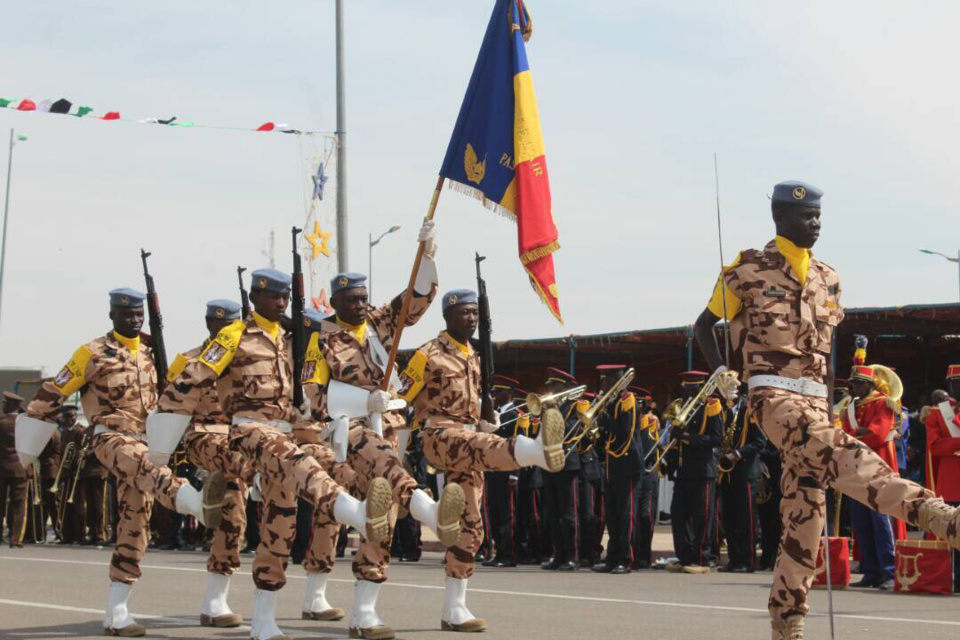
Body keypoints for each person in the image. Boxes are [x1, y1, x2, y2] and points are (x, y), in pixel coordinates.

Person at [693, 180, 960, 640]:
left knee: (806, 516)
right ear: (780, 217)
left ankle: (787, 620)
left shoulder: (828, 277)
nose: (815, 224)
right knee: (845, 455)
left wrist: (832, 401)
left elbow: (826, 352)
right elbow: (702, 325)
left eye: (818, 216)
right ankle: (941, 517)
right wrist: (722, 371)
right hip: (773, 396)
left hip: (816, 401)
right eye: (805, 216)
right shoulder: (746, 269)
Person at [153, 270, 393, 640]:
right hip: (248, 430)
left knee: (280, 527)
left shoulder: (289, 340)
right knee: (301, 467)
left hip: (283, 433)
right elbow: (191, 377)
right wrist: (162, 434)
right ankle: (358, 515)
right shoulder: (234, 335)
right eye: (272, 297)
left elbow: (309, 392)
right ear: (254, 297)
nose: (280, 303)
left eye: (284, 297)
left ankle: (263, 620)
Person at [18, 288, 227, 637]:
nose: (134, 320)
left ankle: (116, 612)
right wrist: (31, 426)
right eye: (127, 314)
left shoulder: (152, 351)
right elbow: (55, 391)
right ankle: (195, 503)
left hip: (148, 441)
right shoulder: (92, 353)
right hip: (110, 438)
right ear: (113, 315)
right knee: (146, 465)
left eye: (138, 315)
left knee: (135, 523)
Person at [301, 230, 467, 639]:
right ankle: (427, 509)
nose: (359, 305)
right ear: (335, 303)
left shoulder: (379, 323)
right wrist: (362, 404)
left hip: (386, 431)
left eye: (362, 298)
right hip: (346, 434)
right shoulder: (319, 339)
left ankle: (363, 611)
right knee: (339, 511)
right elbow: (313, 397)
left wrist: (428, 256)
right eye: (350, 301)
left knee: (376, 516)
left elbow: (416, 300)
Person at [399, 289, 565, 632]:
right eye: (464, 313)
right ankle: (537, 451)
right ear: (447, 317)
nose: (471, 319)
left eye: (475, 313)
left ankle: (454, 609)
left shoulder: (474, 355)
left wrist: (483, 420)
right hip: (439, 437)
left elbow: (475, 408)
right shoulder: (426, 354)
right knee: (485, 445)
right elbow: (400, 400)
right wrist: (396, 453)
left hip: (470, 439)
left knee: (470, 530)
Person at [164, 299, 256, 628]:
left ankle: (215, 601)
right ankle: (216, 493)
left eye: (230, 326)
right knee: (238, 466)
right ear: (208, 325)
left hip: (239, 441)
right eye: (218, 326)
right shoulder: (188, 361)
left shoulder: (250, 361)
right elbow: (167, 405)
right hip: (201, 438)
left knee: (233, 516)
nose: (224, 332)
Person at [840, 365, 900, 590]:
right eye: (852, 383)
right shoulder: (851, 407)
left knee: (880, 520)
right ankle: (871, 570)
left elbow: (877, 435)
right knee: (861, 522)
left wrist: (857, 435)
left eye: (857, 383)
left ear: (869, 385)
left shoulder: (883, 404)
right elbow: (843, 434)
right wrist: (859, 433)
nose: (853, 387)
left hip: (879, 468)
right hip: (857, 469)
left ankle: (888, 571)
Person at [665, 371, 723, 575]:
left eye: (693, 389)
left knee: (702, 515)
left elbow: (716, 439)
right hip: (683, 469)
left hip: (702, 469)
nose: (689, 393)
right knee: (679, 514)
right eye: (686, 388)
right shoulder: (682, 406)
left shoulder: (711, 406)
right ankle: (684, 556)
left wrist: (689, 438)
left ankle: (702, 557)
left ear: (700, 388)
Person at [591, 365, 644, 575]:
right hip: (612, 465)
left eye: (606, 380)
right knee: (612, 515)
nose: (603, 384)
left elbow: (626, 434)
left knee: (626, 514)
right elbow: (607, 437)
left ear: (616, 381)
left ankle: (626, 559)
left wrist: (605, 419)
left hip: (627, 463)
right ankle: (613, 558)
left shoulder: (627, 400)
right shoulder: (612, 402)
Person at [718, 384, 766, 573]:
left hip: (745, 471)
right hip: (727, 473)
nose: (728, 395)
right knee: (729, 518)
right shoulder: (724, 412)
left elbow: (759, 442)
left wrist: (738, 453)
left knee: (746, 519)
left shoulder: (749, 412)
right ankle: (734, 559)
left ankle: (747, 561)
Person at [540, 369, 584, 571]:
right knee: (553, 513)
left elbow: (571, 432)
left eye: (554, 386)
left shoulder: (576, 406)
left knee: (568, 514)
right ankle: (558, 554)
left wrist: (554, 411)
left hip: (567, 463)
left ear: (565, 388)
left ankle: (572, 556)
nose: (550, 390)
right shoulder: (550, 409)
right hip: (549, 462)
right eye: (549, 386)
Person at [924, 365, 960, 592]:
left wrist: (952, 446)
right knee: (953, 532)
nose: (958, 387)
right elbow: (935, 447)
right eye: (954, 383)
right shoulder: (937, 414)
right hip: (952, 482)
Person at [483, 375, 524, 567]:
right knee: (494, 513)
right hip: (493, 469)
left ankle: (509, 554)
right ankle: (499, 552)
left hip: (507, 470)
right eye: (494, 392)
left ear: (510, 394)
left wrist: (515, 473)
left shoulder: (517, 415)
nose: (495, 395)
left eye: (499, 392)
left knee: (508, 514)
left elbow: (519, 445)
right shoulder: (495, 414)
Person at [631, 390, 660, 570]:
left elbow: (648, 446)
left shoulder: (650, 420)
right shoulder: (632, 420)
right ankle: (633, 553)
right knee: (632, 515)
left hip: (647, 473)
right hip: (633, 472)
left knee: (645, 514)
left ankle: (644, 554)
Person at [0, 391, 27, 547]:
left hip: (2, 469)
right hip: (20, 468)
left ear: (9, 405)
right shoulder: (26, 424)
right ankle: (16, 539)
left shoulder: (1, 423)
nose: (3, 405)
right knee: (19, 505)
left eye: (4, 403)